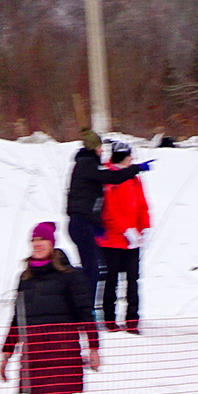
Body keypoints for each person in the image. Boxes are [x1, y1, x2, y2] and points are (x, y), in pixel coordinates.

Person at [0, 223, 99, 394]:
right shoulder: (25, 278)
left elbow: (85, 313)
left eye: (42, 239)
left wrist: (94, 346)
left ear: (51, 243)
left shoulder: (69, 275)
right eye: (34, 239)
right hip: (33, 355)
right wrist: (6, 352)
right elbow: (16, 320)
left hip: (61, 353)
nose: (37, 244)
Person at [65, 131, 147, 312]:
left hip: (85, 223)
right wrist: (136, 168)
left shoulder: (86, 164)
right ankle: (85, 311)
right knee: (92, 269)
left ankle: (87, 308)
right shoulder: (88, 165)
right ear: (93, 148)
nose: (102, 151)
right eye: (100, 147)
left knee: (95, 269)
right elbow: (112, 177)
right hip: (81, 224)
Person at [97, 140, 149, 334]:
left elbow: (142, 204)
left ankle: (132, 319)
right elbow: (109, 211)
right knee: (111, 279)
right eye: (129, 156)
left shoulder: (134, 178)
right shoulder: (109, 176)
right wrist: (125, 230)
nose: (132, 160)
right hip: (112, 239)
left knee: (133, 280)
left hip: (133, 240)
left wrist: (145, 227)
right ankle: (109, 318)